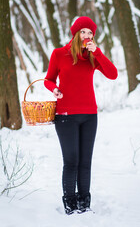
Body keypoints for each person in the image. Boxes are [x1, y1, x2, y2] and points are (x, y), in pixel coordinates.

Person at [44, 16, 118, 215]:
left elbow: (113, 74)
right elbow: (48, 79)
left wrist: (98, 53)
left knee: (86, 162)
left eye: (90, 33)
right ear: (76, 33)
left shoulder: (92, 57)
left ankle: (84, 203)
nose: (87, 36)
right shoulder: (59, 54)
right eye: (83, 32)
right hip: (66, 115)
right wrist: (55, 89)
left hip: (90, 116)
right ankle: (70, 203)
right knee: (71, 161)